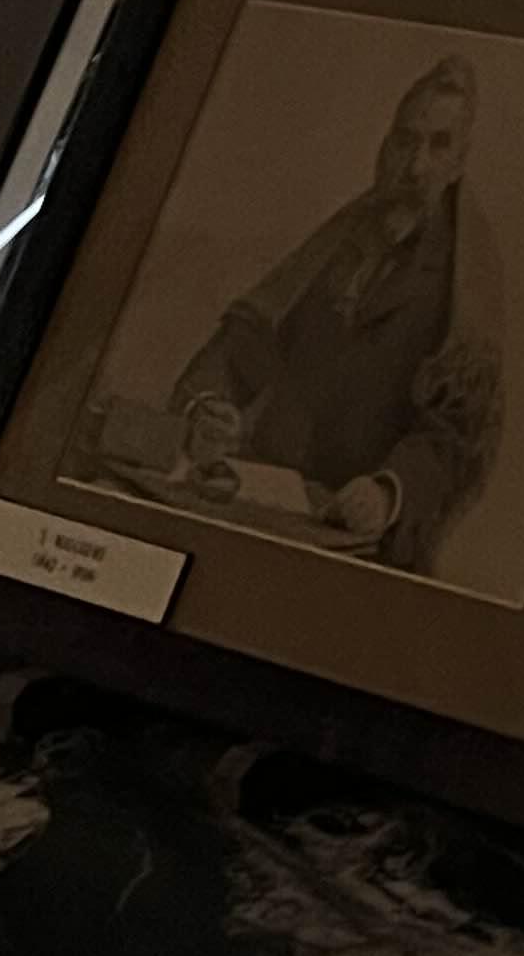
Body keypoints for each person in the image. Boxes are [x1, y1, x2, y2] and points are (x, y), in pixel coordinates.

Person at [169, 54, 505, 574]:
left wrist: (388, 492)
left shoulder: (462, 280)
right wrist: (208, 406)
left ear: (459, 163)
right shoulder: (342, 238)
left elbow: (457, 438)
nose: (416, 166)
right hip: (270, 500)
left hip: (364, 545)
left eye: (438, 146)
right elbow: (244, 342)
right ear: (385, 145)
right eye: (405, 141)